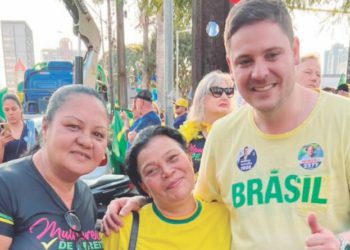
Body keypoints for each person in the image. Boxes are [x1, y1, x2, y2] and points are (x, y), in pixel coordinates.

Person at [103, 1, 350, 249]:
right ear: (231, 66)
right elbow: (194, 205)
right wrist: (145, 203)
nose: (260, 72)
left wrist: (340, 243)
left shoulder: (343, 120)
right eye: (245, 61)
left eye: (272, 55)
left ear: (294, 50)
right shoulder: (223, 134)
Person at [0, 85, 108, 249]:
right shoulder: (5, 186)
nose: (86, 141)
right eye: (73, 126)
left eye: (98, 134)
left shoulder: (85, 195)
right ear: (46, 127)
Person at [101, 126, 230, 249]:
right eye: (152, 171)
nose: (167, 171)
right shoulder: (120, 227)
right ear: (144, 186)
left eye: (173, 158)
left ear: (189, 158)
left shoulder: (227, 215)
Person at [179, 70, 234, 172]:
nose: (224, 96)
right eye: (217, 91)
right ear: (202, 98)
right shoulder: (188, 136)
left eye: (228, 91)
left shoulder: (238, 131)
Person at [0, 93, 37, 163]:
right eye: (7, 110)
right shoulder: (1, 131)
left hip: (26, 172)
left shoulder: (30, 129)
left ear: (20, 108)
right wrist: (1, 145)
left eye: (14, 109)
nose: (10, 113)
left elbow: (36, 157)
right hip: (6, 173)